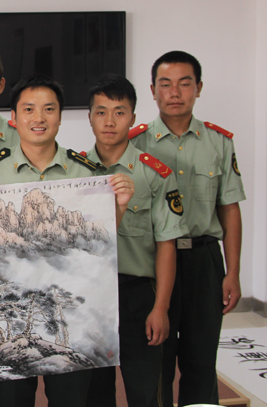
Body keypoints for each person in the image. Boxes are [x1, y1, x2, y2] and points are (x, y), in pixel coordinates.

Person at [0, 76, 134, 407]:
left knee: (71, 398)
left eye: (49, 109)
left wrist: (118, 208)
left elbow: (99, 242)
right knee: (13, 400)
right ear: (14, 117)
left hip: (70, 309)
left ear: (61, 117)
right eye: (29, 109)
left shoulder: (84, 171)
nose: (39, 118)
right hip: (14, 306)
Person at [130, 51, 245, 407]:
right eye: (165, 84)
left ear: (198, 88)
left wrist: (233, 272)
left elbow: (229, 209)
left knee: (201, 359)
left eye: (184, 83)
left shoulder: (219, 142)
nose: (175, 92)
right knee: (157, 357)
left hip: (203, 260)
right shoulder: (136, 143)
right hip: (156, 263)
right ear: (152, 90)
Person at [84, 76, 187, 407]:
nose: (110, 122)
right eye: (101, 112)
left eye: (119, 112)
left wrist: (161, 308)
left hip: (139, 295)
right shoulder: (73, 171)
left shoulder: (154, 173)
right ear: (89, 117)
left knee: (146, 391)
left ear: (133, 116)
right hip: (90, 297)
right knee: (94, 393)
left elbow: (166, 246)